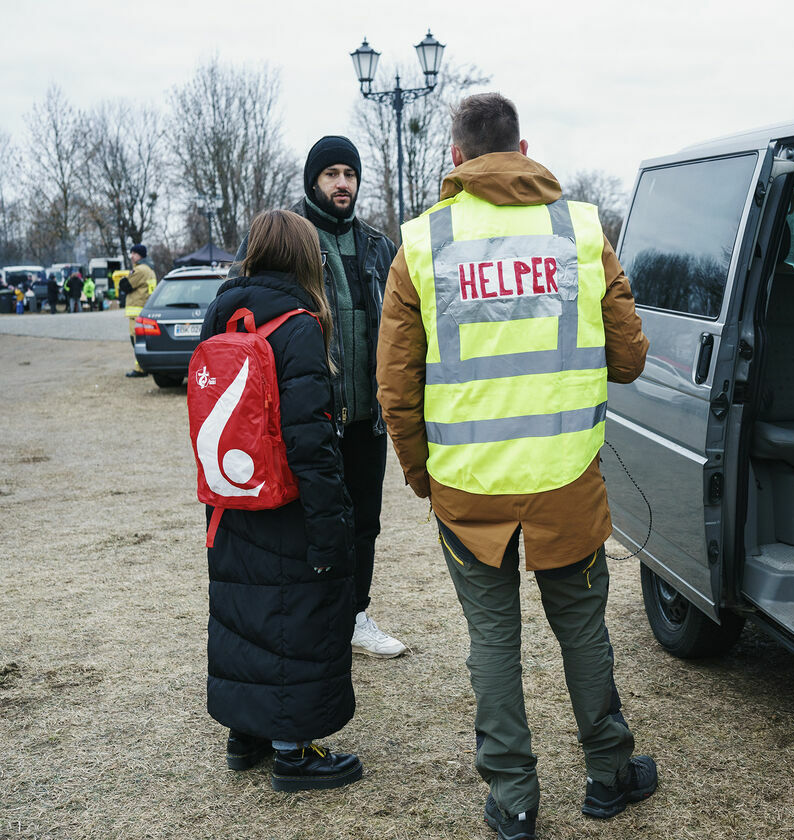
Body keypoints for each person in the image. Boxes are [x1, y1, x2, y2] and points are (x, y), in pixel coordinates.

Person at [375, 92, 654, 840]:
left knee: (491, 643)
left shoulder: (423, 244)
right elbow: (629, 358)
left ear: (457, 160)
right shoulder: (582, 230)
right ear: (524, 149)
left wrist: (421, 476)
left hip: (468, 490)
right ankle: (608, 775)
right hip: (566, 478)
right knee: (583, 632)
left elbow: (395, 390)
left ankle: (514, 800)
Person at [199, 208, 362, 792]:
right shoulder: (297, 325)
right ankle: (293, 753)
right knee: (296, 617)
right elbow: (311, 440)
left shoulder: (218, 315)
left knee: (243, 614)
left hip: (229, 497)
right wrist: (331, 527)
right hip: (287, 502)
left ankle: (245, 737)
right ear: (302, 258)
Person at [230, 135, 407, 659]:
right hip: (309, 415)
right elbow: (241, 306)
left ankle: (354, 614)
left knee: (364, 520)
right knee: (310, 521)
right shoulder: (286, 241)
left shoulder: (378, 245)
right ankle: (314, 618)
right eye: (331, 174)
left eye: (349, 175)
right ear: (313, 181)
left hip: (367, 418)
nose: (342, 184)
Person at [123, 245, 157, 378]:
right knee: (144, 340)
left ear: (141, 255)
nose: (132, 256)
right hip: (145, 309)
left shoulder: (140, 270)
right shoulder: (150, 269)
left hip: (136, 312)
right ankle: (144, 365)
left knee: (136, 340)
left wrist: (124, 278)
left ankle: (140, 369)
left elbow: (125, 285)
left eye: (134, 253)